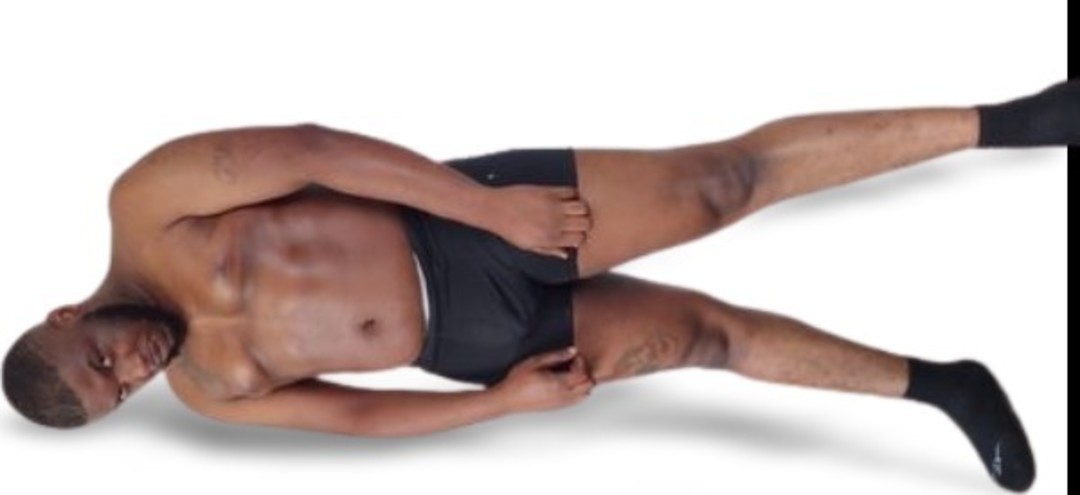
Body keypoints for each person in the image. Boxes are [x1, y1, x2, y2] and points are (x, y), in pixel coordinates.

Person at [4, 80, 1074, 492]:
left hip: (461, 224)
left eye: (102, 355)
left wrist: (486, 211)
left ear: (67, 313)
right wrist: (500, 403)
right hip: (471, 344)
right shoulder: (209, 389)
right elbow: (359, 420)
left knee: (722, 183)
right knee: (707, 339)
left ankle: (1015, 122)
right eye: (120, 389)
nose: (134, 366)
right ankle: (945, 385)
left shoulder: (147, 205)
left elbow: (312, 144)